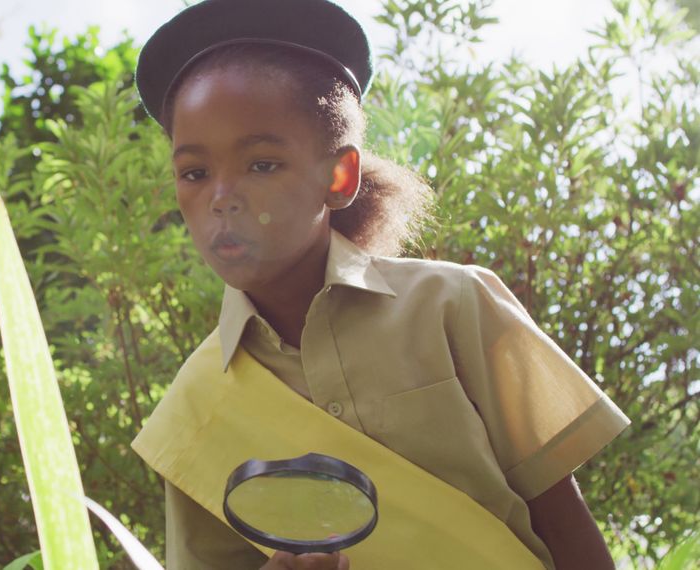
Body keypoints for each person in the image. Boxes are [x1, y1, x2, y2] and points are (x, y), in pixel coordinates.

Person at [129, 1, 631, 569]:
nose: (221, 197)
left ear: (339, 177)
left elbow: (565, 524)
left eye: (261, 164)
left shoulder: (455, 306)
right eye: (194, 173)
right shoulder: (193, 411)